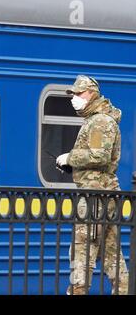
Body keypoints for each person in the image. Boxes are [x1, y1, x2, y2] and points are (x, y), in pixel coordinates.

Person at [56, 75, 129, 295]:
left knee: (82, 251)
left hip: (94, 196)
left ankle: (77, 291)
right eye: (72, 94)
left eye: (78, 94)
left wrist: (70, 158)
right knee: (112, 256)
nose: (74, 98)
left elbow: (99, 156)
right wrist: (74, 166)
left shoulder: (100, 121)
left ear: (91, 94)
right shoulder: (100, 119)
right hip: (104, 194)